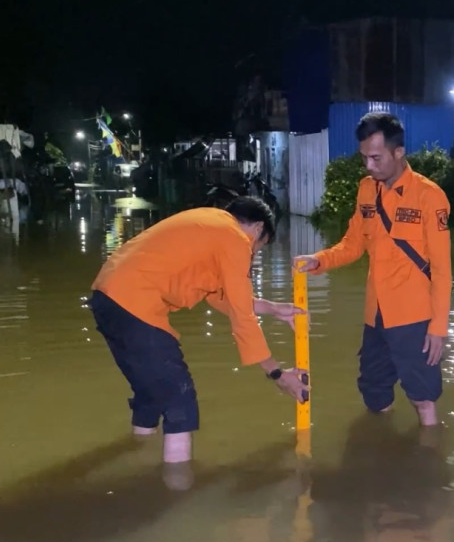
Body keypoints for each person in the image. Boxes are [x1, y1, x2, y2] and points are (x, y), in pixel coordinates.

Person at [89, 196, 309, 464]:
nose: (253, 255)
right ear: (257, 229)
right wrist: (277, 373)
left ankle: (139, 455)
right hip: (136, 304)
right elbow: (243, 318)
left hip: (106, 297)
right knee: (179, 401)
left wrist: (272, 308)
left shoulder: (208, 222)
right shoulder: (236, 239)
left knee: (151, 392)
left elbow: (218, 296)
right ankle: (177, 488)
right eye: (258, 248)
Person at [294, 112, 452, 426]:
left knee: (422, 397)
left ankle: (431, 461)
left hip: (414, 316)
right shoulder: (367, 190)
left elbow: (443, 269)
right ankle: (381, 451)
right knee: (374, 393)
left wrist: (438, 328)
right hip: (376, 314)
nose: (368, 166)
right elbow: (353, 244)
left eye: (376, 158)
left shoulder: (429, 196)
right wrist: (320, 260)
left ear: (398, 152)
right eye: (364, 157)